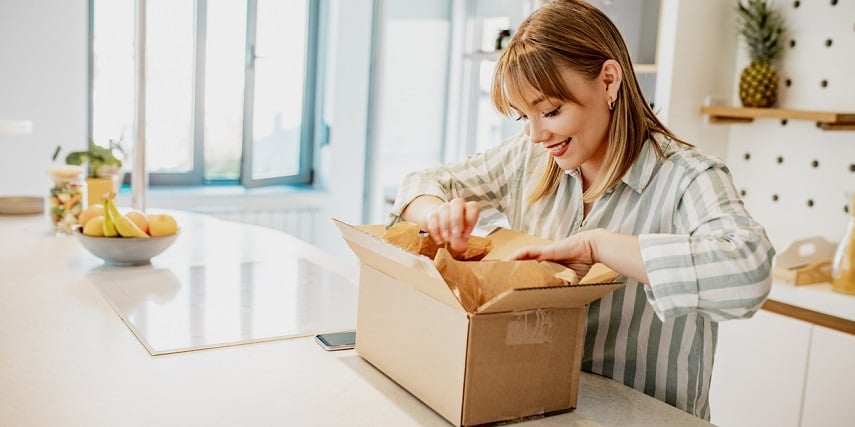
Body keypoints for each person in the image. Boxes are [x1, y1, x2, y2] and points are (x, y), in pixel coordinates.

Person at [386, 0, 774, 420]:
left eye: (551, 111)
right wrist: (436, 214)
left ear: (609, 81)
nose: (536, 134)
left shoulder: (687, 177)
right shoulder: (532, 158)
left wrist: (599, 246)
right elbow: (421, 184)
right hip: (539, 409)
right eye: (523, 117)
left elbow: (748, 273)